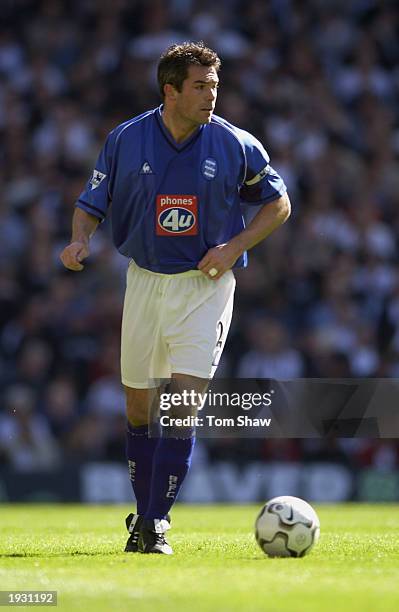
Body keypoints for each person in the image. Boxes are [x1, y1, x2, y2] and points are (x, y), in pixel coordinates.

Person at [60, 41, 290, 555]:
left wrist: (233, 248)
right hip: (143, 280)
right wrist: (80, 240)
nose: (211, 95)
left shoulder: (235, 144)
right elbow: (91, 202)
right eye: (200, 86)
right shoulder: (125, 139)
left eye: (215, 85)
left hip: (203, 286)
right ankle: (143, 515)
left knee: (183, 402)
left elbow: (278, 204)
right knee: (140, 407)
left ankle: (155, 522)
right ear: (171, 91)